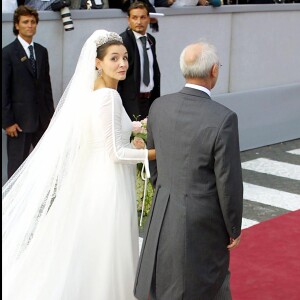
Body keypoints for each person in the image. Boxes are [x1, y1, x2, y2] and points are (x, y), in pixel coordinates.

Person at [2, 29, 155, 300]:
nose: (122, 64)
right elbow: (116, 153)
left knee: (90, 245)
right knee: (107, 245)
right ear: (98, 63)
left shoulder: (96, 92)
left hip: (94, 177)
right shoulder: (108, 97)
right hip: (108, 182)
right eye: (114, 58)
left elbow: (113, 129)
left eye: (125, 58)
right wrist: (152, 153)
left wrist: (140, 127)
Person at [134, 40, 243, 299]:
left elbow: (154, 158)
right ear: (214, 70)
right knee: (207, 280)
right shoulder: (223, 118)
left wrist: (166, 189)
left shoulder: (159, 106)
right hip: (202, 216)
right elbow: (227, 181)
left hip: (164, 206)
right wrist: (233, 228)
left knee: (166, 275)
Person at [2, 5, 55, 179]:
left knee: (44, 165)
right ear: (17, 25)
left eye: (33, 22)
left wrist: (51, 119)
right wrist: (7, 122)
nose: (30, 25)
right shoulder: (7, 53)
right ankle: (13, 205)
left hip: (42, 121)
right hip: (18, 123)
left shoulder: (41, 51)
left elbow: (47, 89)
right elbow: (3, 90)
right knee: (17, 168)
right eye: (25, 22)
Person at [118, 1, 161, 121]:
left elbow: (153, 69)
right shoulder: (123, 41)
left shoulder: (151, 40)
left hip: (150, 100)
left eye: (142, 17)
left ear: (148, 19)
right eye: (134, 17)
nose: (139, 22)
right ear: (128, 20)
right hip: (130, 103)